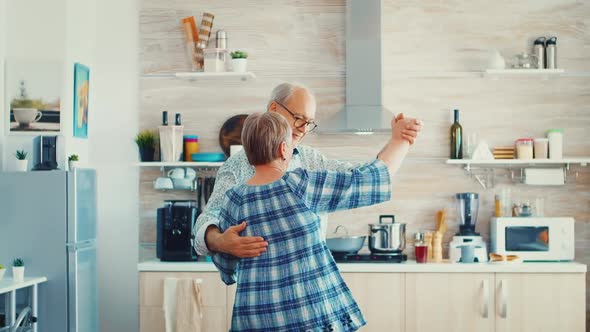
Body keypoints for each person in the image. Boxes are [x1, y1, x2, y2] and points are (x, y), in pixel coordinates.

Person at [212, 112, 418, 331]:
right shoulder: (301, 184)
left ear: (248, 153)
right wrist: (399, 140)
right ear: (284, 149)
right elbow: (368, 180)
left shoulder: (233, 198)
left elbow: (226, 263)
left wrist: (230, 266)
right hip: (307, 313)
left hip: (254, 316)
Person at [193, 82, 422, 258]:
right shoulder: (235, 166)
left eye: (309, 123)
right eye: (298, 118)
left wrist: (398, 140)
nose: (303, 129)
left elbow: (363, 179)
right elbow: (208, 220)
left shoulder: (312, 161)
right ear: (274, 108)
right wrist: (220, 242)